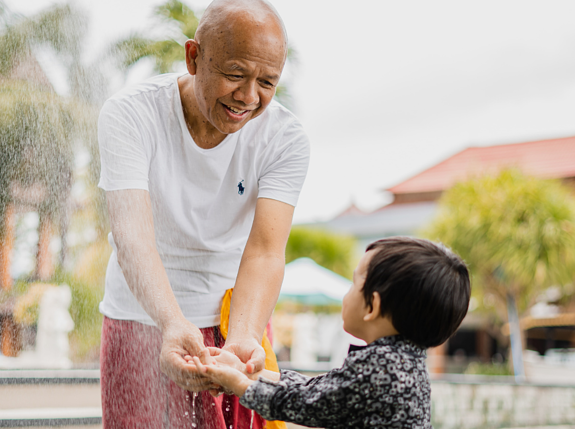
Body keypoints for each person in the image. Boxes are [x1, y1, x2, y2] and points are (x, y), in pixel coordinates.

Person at [96, 0, 309, 427]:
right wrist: (172, 323)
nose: (249, 97)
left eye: (267, 82)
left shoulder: (285, 138)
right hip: (142, 318)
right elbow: (132, 237)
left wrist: (246, 337)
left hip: (237, 320)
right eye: (235, 75)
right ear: (194, 57)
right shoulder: (132, 114)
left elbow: (266, 252)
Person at [188, 237, 471, 429]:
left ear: (373, 305)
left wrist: (238, 383)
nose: (346, 295)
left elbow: (306, 404)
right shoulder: (403, 362)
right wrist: (249, 372)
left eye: (353, 283)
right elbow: (321, 387)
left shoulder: (384, 369)